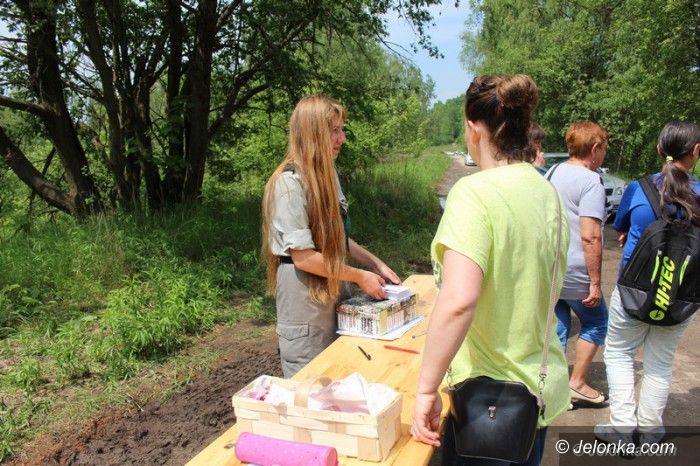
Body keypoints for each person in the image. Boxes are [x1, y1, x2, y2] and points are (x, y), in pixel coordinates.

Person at [411, 75, 570, 466]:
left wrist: (426, 389)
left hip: (487, 404)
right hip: (534, 396)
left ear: (473, 129)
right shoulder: (548, 193)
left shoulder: (474, 193)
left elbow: (459, 301)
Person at [261, 95, 400, 378]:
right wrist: (359, 276)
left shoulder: (328, 174)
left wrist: (376, 264)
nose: (342, 138)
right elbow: (304, 258)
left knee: (344, 370)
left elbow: (336, 238)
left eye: (341, 130)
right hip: (304, 300)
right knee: (311, 381)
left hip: (335, 285)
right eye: (334, 131)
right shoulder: (288, 184)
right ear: (312, 133)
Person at [596, 121, 700, 443]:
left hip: (634, 290)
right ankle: (651, 430)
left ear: (659, 149)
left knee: (619, 354)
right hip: (681, 293)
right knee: (661, 361)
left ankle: (621, 429)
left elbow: (621, 227)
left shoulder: (639, 188)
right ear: (696, 152)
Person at [545, 121, 610, 406]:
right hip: (575, 271)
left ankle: (552, 389)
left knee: (559, 326)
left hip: (551, 269)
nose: (604, 154)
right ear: (594, 149)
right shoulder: (590, 181)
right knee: (597, 322)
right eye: (604, 148)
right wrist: (595, 282)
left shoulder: (553, 172)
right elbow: (590, 235)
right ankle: (577, 383)